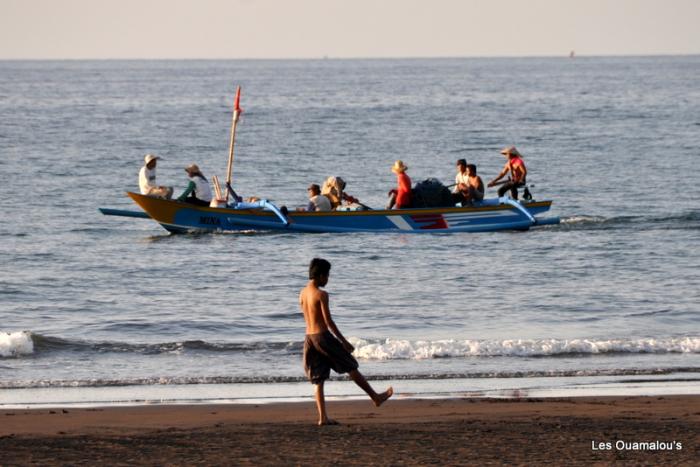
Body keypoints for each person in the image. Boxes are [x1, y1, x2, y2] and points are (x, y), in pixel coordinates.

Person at [300, 258, 393, 425]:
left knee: (318, 378)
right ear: (321, 275)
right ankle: (375, 397)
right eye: (327, 276)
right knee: (351, 365)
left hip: (309, 338)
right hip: (322, 337)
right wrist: (343, 342)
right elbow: (328, 322)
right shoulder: (321, 294)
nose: (327, 279)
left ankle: (323, 418)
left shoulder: (303, 293)